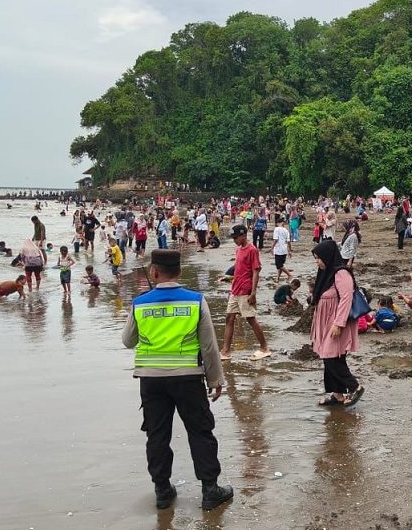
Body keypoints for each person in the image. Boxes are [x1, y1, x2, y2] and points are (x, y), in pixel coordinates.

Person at [121, 250, 234, 511]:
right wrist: (216, 378)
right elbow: (209, 345)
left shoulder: (140, 303)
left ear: (154, 272)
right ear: (180, 272)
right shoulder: (195, 301)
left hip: (151, 380)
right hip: (188, 379)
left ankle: (162, 490)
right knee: (200, 431)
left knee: (157, 434)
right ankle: (209, 490)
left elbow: (128, 341)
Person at [310, 240, 364, 406]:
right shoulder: (326, 274)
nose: (317, 261)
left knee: (330, 356)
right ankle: (338, 395)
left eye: (319, 258)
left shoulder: (341, 273)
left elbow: (346, 299)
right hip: (326, 322)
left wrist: (338, 324)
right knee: (334, 357)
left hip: (336, 322)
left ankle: (355, 386)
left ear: (328, 256)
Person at [220, 225, 270, 360]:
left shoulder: (252, 250)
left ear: (243, 236)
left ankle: (264, 347)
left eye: (236, 238)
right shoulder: (239, 250)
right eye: (233, 238)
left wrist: (253, 292)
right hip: (235, 289)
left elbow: (255, 271)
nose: (234, 240)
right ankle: (225, 351)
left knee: (250, 318)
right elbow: (239, 267)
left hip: (245, 289)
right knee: (229, 318)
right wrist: (229, 277)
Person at [270, 218, 293, 283]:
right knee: (280, 265)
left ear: (277, 223)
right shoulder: (286, 230)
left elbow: (276, 239)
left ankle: (289, 275)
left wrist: (272, 248)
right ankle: (277, 278)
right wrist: (290, 250)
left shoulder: (276, 229)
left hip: (278, 249)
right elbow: (288, 242)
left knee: (279, 265)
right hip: (284, 249)